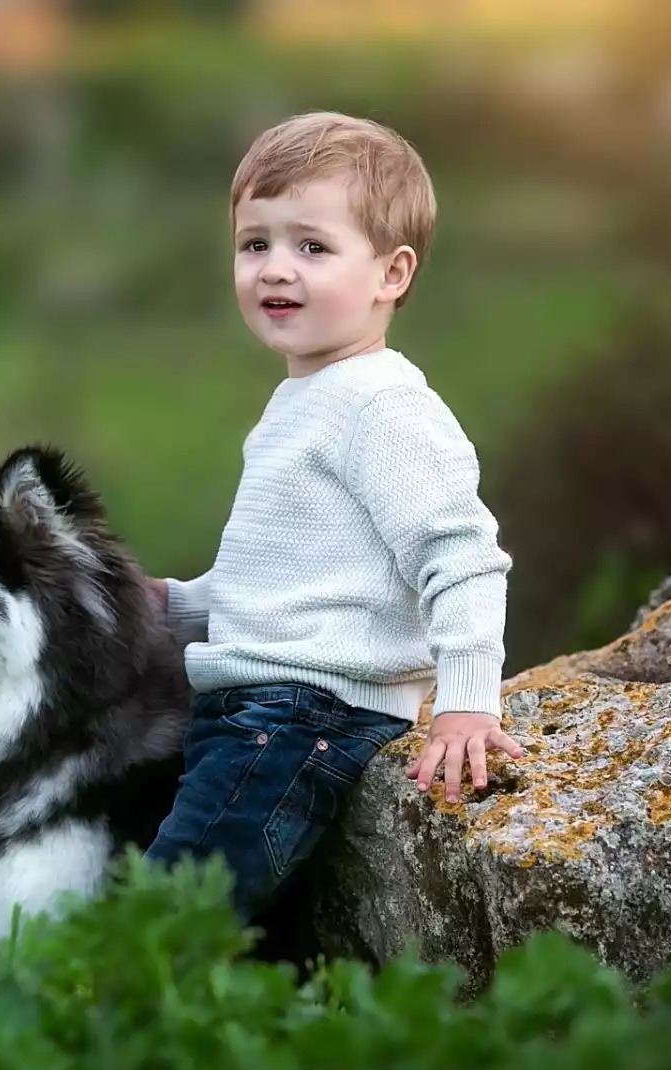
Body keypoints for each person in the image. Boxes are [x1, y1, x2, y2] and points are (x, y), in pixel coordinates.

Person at [142, 110, 520, 922]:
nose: (276, 269)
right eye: (255, 244)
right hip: (257, 710)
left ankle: (106, 1000)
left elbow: (462, 557)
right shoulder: (305, 398)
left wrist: (466, 701)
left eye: (312, 247)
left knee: (166, 914)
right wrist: (173, 606)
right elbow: (292, 579)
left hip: (304, 715)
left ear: (392, 273)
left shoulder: (382, 405)